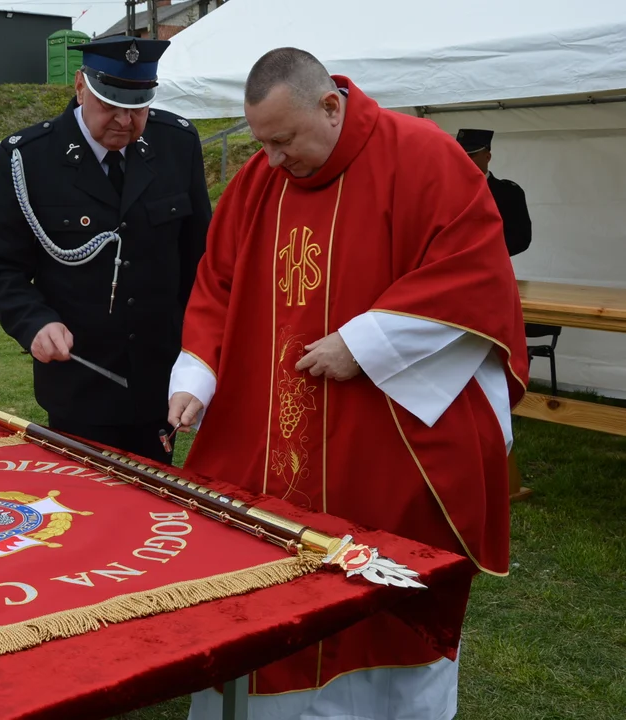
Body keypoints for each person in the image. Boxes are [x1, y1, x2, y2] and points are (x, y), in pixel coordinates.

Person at [167, 48, 529, 720]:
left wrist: (366, 342)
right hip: (270, 434)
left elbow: (474, 273)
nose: (272, 160)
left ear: (330, 106)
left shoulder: (423, 157)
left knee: (383, 583)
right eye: (261, 143)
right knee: (259, 571)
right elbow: (217, 281)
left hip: (383, 435)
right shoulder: (258, 182)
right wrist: (198, 372)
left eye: (282, 140)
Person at [0, 36, 211, 464]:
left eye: (138, 107)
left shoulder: (176, 144)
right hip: (78, 382)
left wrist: (197, 360)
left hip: (158, 378)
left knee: (151, 508)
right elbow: (1, 267)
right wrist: (34, 323)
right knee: (84, 510)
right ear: (81, 86)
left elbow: (201, 263)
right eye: (111, 105)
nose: (125, 121)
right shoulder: (28, 158)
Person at [456, 128, 532, 256]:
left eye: (471, 155)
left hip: (490, 266)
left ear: (487, 157)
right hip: (451, 269)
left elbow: (520, 238)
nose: (465, 160)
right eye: (460, 155)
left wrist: (481, 254)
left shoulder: (509, 193)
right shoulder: (445, 190)